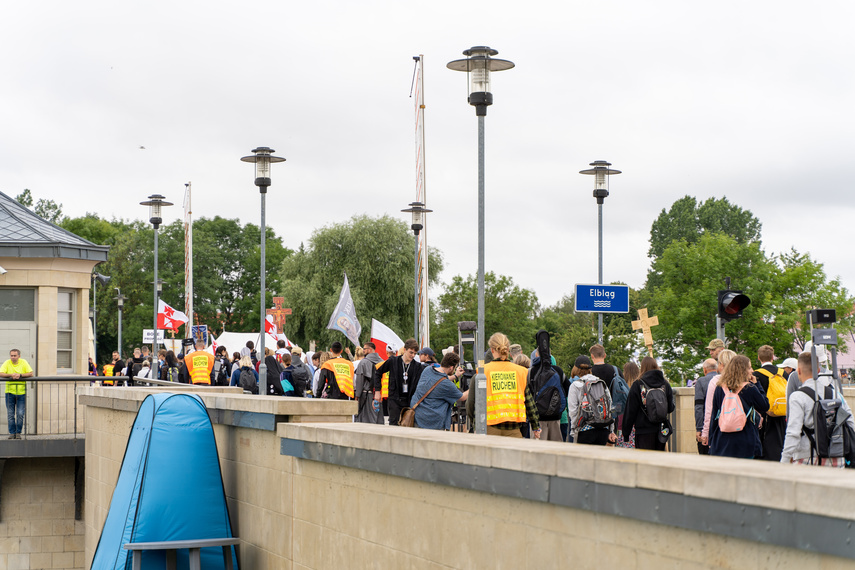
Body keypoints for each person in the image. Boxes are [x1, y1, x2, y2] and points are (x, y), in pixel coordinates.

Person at [781, 351, 855, 466]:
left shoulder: (797, 396)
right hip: (836, 457)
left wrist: (785, 460)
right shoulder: (835, 394)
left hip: (807, 457)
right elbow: (850, 422)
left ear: (798, 371)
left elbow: (793, 433)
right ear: (819, 371)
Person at [468, 333, 541, 439]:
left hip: (489, 429)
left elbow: (471, 403)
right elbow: (530, 403)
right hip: (514, 430)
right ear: (508, 350)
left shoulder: (482, 373)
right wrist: (536, 427)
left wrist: (475, 424)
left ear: (492, 350)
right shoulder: (521, 372)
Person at [708, 355, 768, 459]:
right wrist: (757, 384)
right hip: (745, 440)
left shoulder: (719, 388)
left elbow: (715, 414)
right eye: (749, 368)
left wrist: (711, 439)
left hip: (722, 440)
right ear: (742, 370)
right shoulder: (750, 388)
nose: (752, 371)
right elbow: (765, 406)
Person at [622, 356, 674, 451]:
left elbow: (630, 411)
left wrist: (626, 433)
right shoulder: (665, 384)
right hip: (661, 431)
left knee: (644, 461)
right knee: (658, 461)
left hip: (643, 431)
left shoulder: (638, 384)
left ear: (642, 368)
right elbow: (671, 408)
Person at [373, 338, 423, 425]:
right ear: (405, 350)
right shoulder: (393, 361)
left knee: (407, 425)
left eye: (415, 353)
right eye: (411, 352)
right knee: (394, 424)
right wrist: (377, 391)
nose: (413, 355)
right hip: (394, 400)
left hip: (409, 401)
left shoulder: (417, 366)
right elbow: (378, 373)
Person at [567, 355, 615, 445]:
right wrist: (611, 430)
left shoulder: (575, 385)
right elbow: (610, 406)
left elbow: (573, 411)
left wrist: (574, 431)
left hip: (584, 431)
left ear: (576, 369)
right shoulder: (600, 382)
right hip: (602, 429)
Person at [411, 352, 465, 430]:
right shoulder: (446, 384)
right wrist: (474, 385)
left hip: (417, 416)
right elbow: (462, 397)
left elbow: (440, 379)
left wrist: (455, 375)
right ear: (451, 367)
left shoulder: (428, 370)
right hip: (432, 422)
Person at [754, 345, 785, 461]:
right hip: (781, 412)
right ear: (773, 357)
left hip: (764, 415)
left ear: (759, 357)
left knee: (766, 443)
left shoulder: (756, 375)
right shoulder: (783, 374)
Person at [701, 349, 737, 446]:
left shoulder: (716, 381)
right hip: (741, 427)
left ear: (721, 365)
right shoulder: (745, 381)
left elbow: (710, 410)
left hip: (721, 427)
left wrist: (705, 433)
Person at [0, 349, 33, 439]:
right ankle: (12, 433)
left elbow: (30, 373)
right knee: (10, 414)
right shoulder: (7, 363)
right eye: (11, 355)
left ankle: (18, 432)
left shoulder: (23, 362)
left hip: (21, 393)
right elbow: (1, 373)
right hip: (9, 393)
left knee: (20, 414)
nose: (13, 357)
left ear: (19, 356)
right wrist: (11, 375)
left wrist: (20, 375)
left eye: (15, 356)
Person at [693, 358, 718, 454]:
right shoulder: (722, 379)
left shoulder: (701, 381)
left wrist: (699, 428)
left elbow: (699, 406)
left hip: (707, 426)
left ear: (704, 369)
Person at [355, 342, 384, 424]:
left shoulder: (363, 362)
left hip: (367, 395)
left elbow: (359, 381)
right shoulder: (382, 362)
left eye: (364, 349)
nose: (363, 350)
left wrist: (357, 396)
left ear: (369, 350)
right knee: (378, 419)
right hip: (379, 395)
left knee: (366, 420)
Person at [616, 361, 640, 449]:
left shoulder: (621, 388)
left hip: (623, 426)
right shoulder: (640, 387)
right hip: (637, 426)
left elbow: (618, 409)